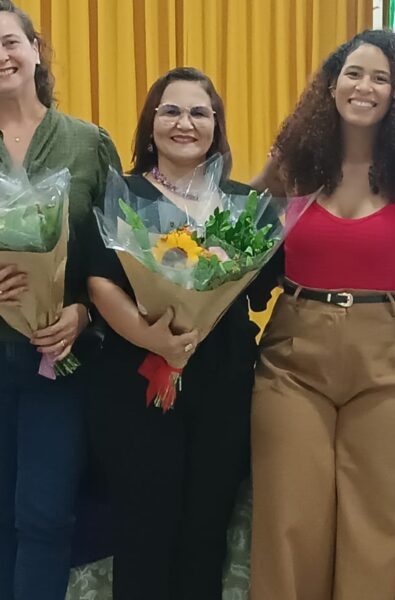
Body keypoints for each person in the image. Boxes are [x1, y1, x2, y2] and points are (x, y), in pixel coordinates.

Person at [248, 29, 395, 600]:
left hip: (388, 358)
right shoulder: (293, 165)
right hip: (294, 356)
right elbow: (232, 228)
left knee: (376, 527)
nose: (364, 87)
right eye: (354, 73)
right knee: (289, 518)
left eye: (381, 78)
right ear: (332, 85)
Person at [86, 67, 271, 600]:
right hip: (137, 386)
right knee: (144, 535)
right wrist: (155, 342)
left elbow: (271, 282)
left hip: (223, 389)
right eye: (170, 111)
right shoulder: (123, 195)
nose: (184, 123)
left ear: (216, 126)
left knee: (205, 536)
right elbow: (98, 281)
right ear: (151, 125)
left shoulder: (243, 205)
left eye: (198, 112)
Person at [0, 2, 121, 600]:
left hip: (60, 361)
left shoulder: (87, 144)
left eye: (9, 42)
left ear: (34, 49)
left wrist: (84, 312)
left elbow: (123, 255)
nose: (1, 56)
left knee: (46, 519)